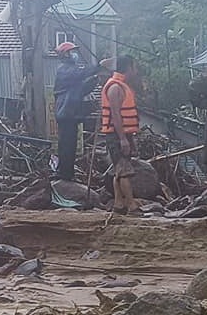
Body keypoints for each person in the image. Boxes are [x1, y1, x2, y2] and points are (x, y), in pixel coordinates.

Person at [51, 41, 109, 183]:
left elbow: (82, 89)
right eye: (72, 52)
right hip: (66, 113)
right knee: (66, 144)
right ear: (65, 55)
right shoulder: (65, 70)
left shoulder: (70, 72)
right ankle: (64, 174)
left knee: (69, 145)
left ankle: (67, 173)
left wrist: (96, 79)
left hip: (70, 113)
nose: (75, 55)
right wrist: (99, 66)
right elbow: (82, 74)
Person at [100, 55, 142, 215]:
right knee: (124, 170)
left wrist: (130, 138)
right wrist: (123, 139)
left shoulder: (122, 86)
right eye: (135, 67)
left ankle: (118, 203)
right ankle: (131, 205)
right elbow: (116, 115)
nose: (136, 71)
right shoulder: (115, 87)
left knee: (119, 169)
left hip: (123, 134)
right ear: (128, 68)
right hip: (116, 135)